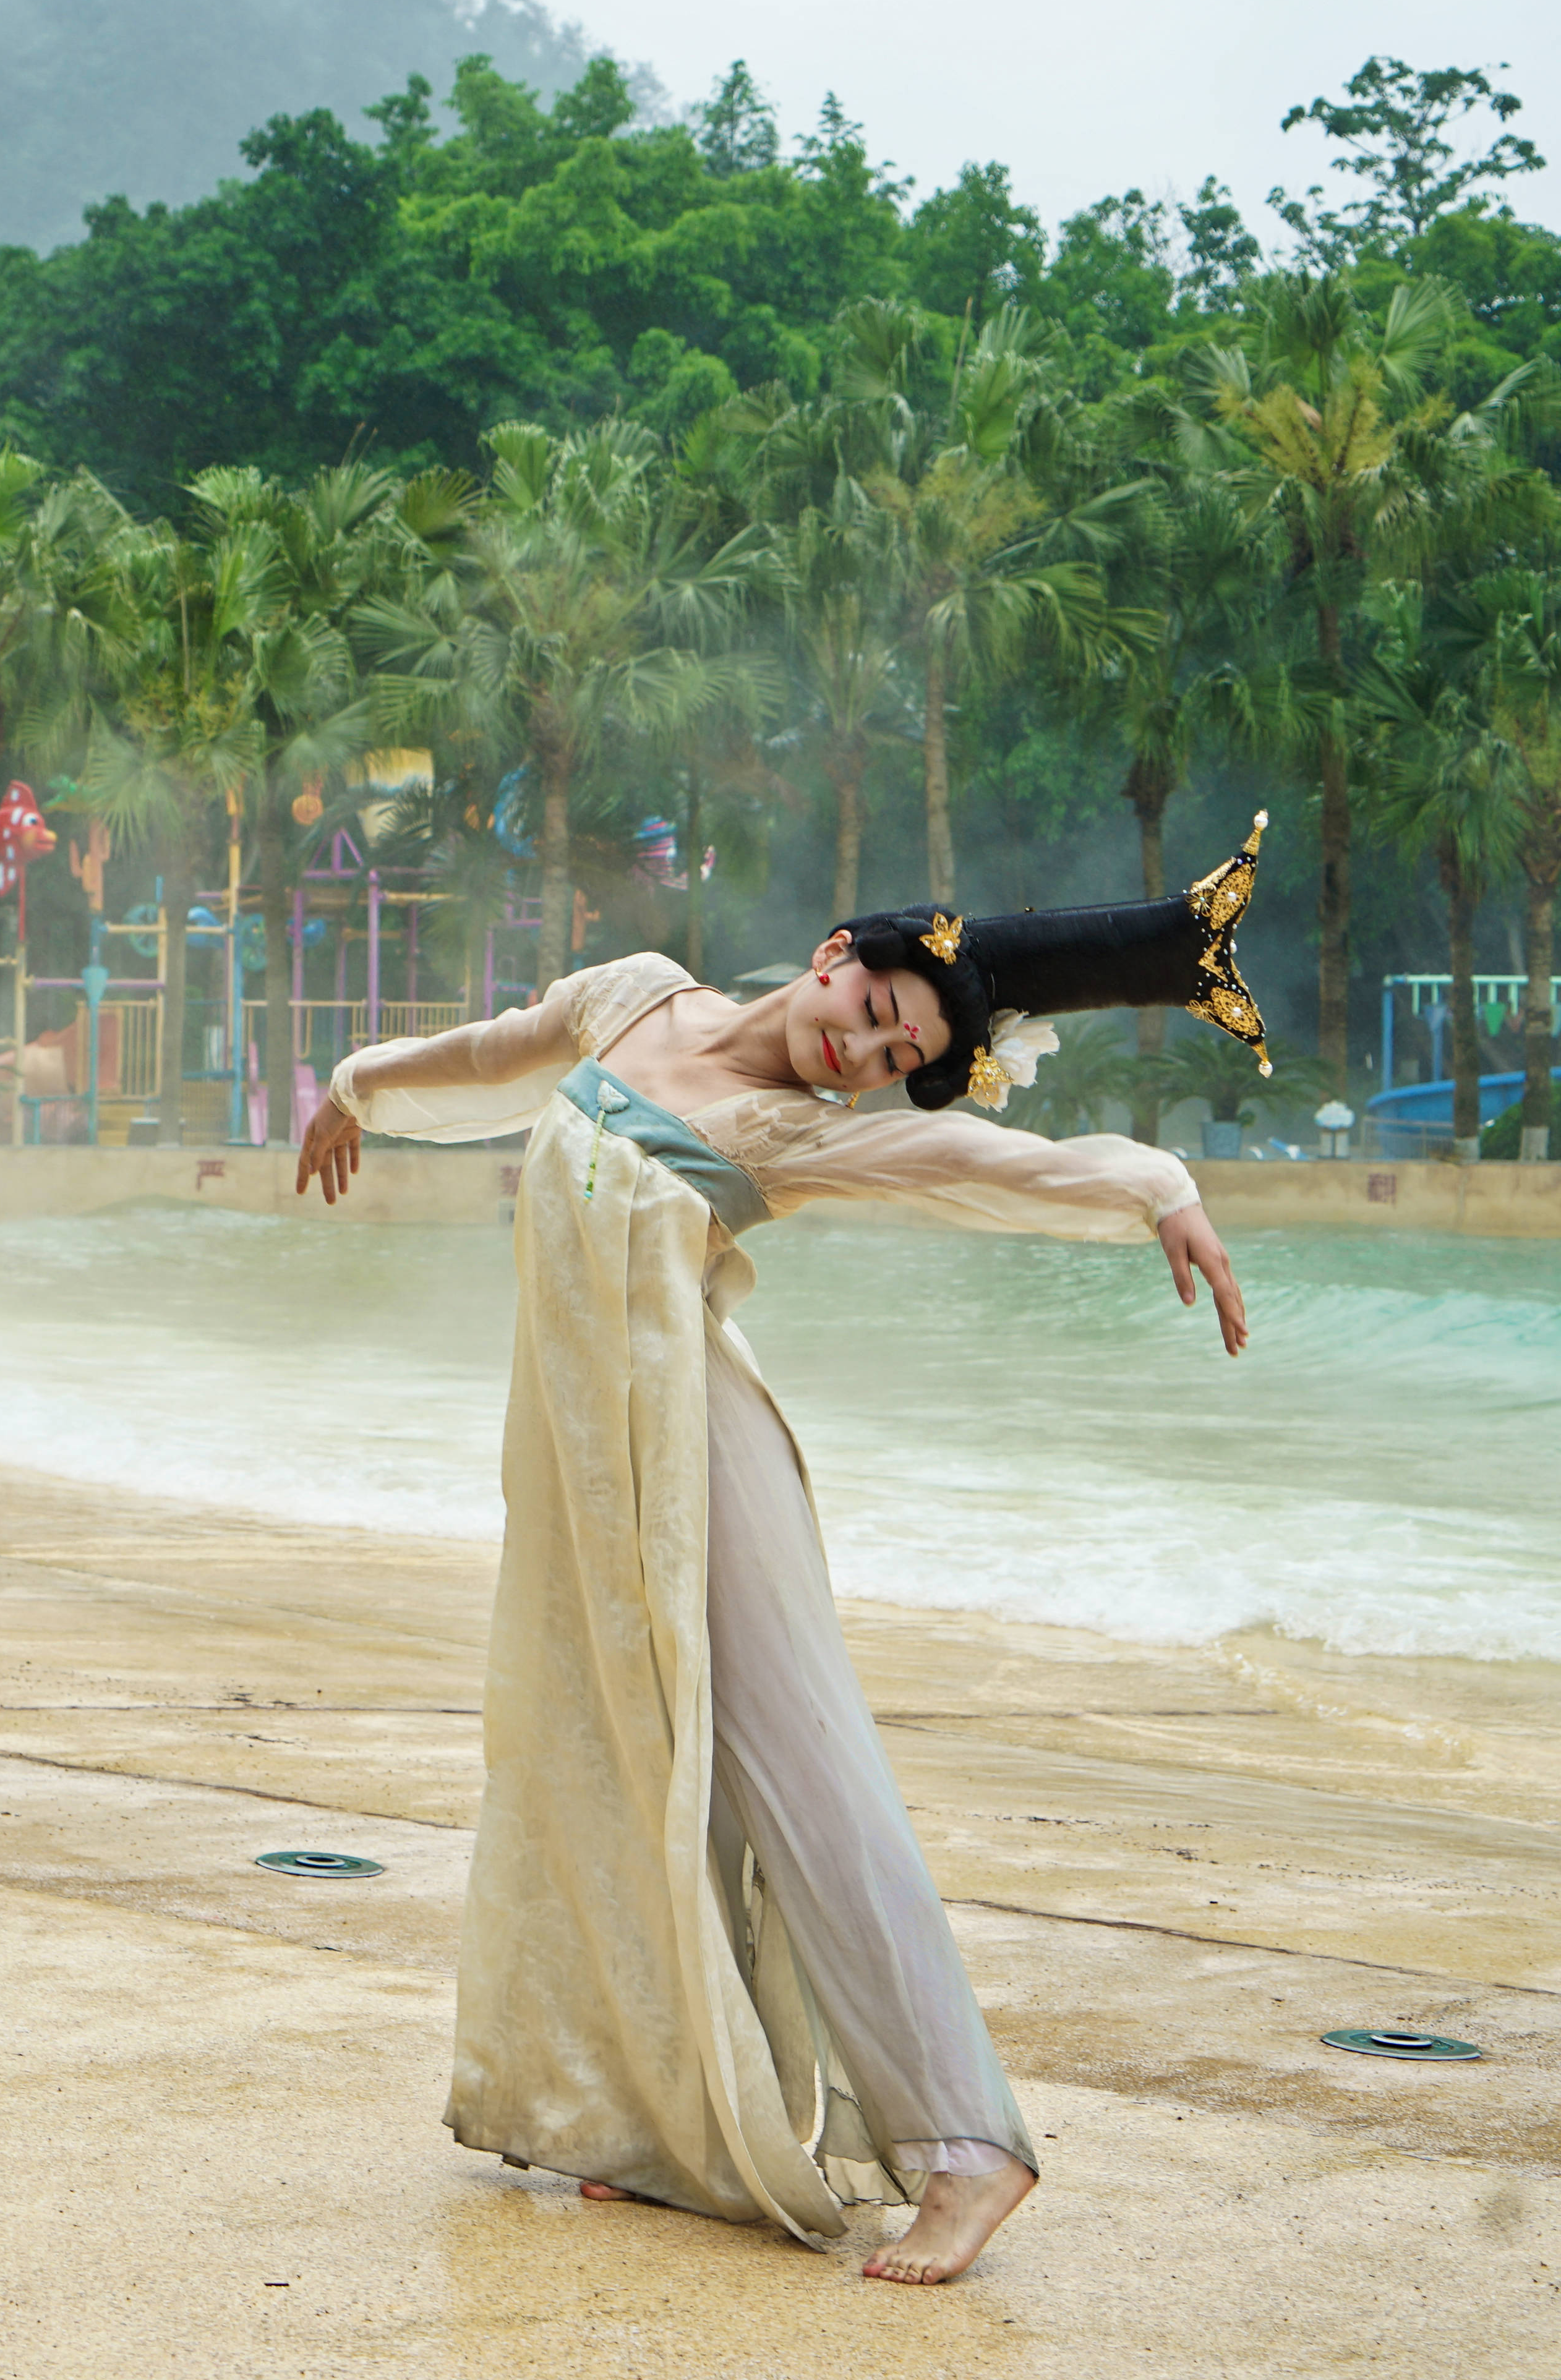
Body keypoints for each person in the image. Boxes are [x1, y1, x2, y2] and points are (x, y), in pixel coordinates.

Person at [295, 819, 1271, 2287]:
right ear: (834, 955)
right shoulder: (631, 992)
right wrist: (358, 1084)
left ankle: (968, 2145)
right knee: (617, 1766)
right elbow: (496, 1052)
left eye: (892, 1055)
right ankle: (675, 2120)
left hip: (701, 1461)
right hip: (590, 1469)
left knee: (810, 1782)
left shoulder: (802, 1134)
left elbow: (988, 1157)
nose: (862, 1055)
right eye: (872, 1015)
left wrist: (1157, 1188)